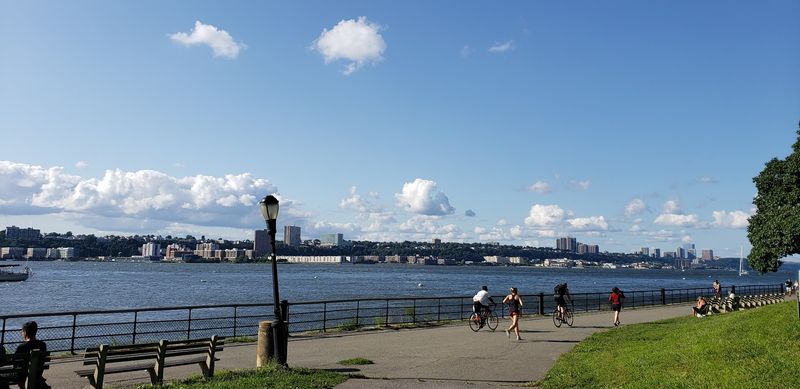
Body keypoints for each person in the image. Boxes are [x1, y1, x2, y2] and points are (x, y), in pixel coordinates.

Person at [13, 321, 49, 389]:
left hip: (22, 375)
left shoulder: (21, 347)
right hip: (37, 374)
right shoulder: (43, 345)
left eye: (22, 331)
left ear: (25, 332)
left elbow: (15, 363)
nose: (21, 333)